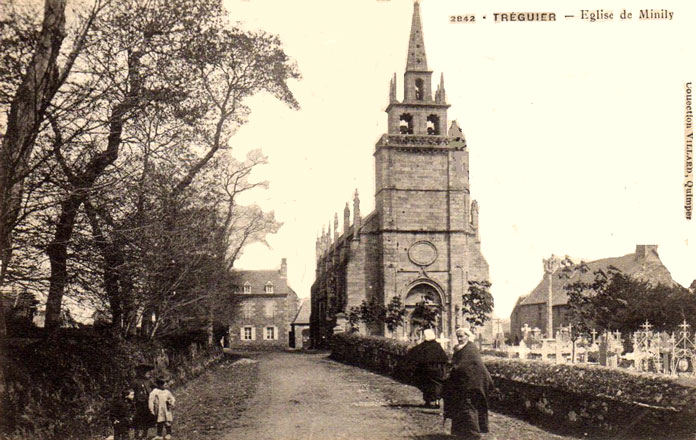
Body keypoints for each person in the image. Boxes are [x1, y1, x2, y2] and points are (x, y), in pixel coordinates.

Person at [443, 327, 494, 440]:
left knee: (468, 407)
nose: (460, 339)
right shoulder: (461, 348)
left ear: (467, 336)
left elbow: (463, 366)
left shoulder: (470, 349)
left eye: (462, 336)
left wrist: (452, 369)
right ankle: (462, 433)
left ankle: (474, 435)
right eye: (458, 337)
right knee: (461, 406)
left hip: (474, 383)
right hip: (466, 381)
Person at [406, 328, 449, 408]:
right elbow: (444, 358)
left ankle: (428, 401)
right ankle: (437, 401)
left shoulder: (424, 345)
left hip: (426, 369)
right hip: (437, 369)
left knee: (426, 384)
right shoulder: (437, 345)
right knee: (437, 384)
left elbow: (413, 352)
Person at [132, 365, 155, 439]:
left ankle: (145, 434)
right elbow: (132, 391)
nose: (148, 373)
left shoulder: (148, 381)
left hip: (147, 402)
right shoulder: (135, 381)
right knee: (137, 418)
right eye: (146, 372)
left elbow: (154, 386)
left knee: (147, 417)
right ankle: (136, 434)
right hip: (138, 403)